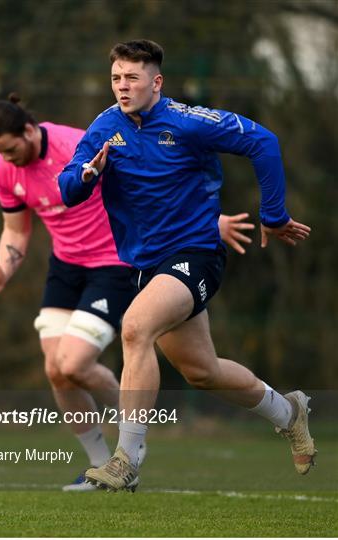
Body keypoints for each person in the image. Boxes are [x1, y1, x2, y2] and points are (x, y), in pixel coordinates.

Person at [58, 39, 316, 492]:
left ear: (156, 82)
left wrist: (272, 214)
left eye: (132, 78)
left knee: (136, 327)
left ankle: (127, 458)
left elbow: (263, 142)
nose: (123, 86)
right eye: (117, 77)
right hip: (147, 266)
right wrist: (84, 176)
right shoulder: (104, 127)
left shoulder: (187, 122)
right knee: (203, 372)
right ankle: (289, 411)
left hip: (196, 254)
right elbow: (67, 189)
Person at [0, 94, 251, 491]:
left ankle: (132, 438)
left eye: (12, 149)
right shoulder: (3, 169)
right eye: (0, 153)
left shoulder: (80, 143)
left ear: (30, 130)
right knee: (58, 371)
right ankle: (101, 467)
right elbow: (16, 230)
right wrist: (4, 271)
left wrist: (210, 220)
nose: (8, 159)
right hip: (65, 267)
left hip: (111, 264)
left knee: (74, 362)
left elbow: (150, 181)